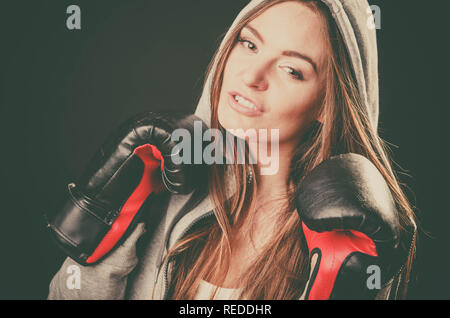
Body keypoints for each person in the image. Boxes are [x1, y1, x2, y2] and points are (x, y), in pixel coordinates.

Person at [48, 0, 417, 300]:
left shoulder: (346, 230)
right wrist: (107, 216)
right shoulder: (165, 181)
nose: (251, 76)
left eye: (291, 70)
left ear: (326, 104)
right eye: (249, 43)